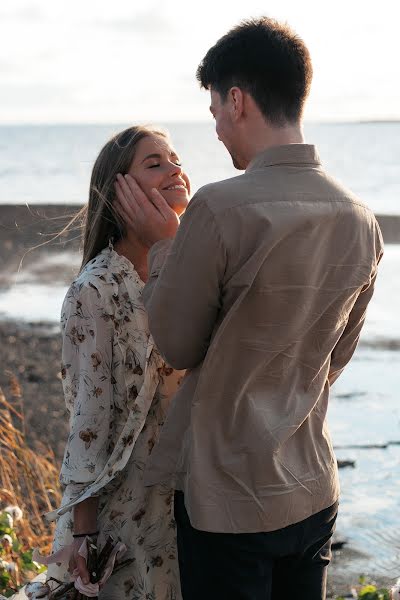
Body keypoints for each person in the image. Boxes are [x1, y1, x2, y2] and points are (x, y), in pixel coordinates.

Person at [114, 16, 384, 600]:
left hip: (228, 499)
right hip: (313, 485)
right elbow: (334, 360)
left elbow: (178, 345)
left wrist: (164, 247)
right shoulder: (361, 219)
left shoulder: (217, 209)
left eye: (213, 112)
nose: (216, 130)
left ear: (236, 100)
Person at [46, 125, 190, 599]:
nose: (176, 169)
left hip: (187, 503)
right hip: (121, 512)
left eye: (176, 159)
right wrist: (85, 534)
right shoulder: (96, 290)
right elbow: (88, 419)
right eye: (155, 163)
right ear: (118, 191)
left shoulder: (191, 268)